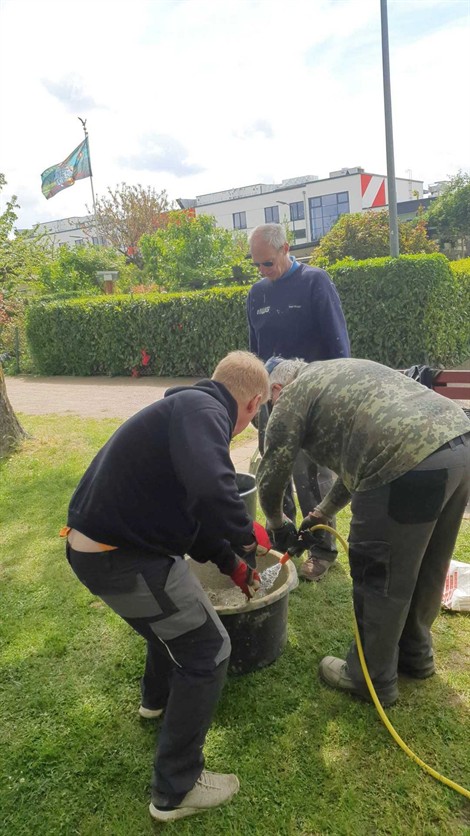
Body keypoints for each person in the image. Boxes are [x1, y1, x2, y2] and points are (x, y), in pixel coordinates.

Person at [62, 351, 270, 822]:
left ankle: (155, 702)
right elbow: (213, 488)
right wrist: (249, 535)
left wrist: (231, 564)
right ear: (253, 403)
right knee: (209, 650)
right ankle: (176, 789)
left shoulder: (184, 412)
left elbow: (191, 516)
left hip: (102, 551)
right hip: (120, 559)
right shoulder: (204, 409)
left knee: (175, 622)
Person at [257, 356, 470, 707]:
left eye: (269, 402)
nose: (271, 409)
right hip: (457, 443)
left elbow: (272, 471)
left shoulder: (291, 395)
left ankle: (370, 678)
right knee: (429, 564)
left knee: (378, 573)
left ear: (276, 388)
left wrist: (276, 522)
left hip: (405, 460)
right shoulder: (338, 372)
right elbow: (359, 461)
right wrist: (323, 512)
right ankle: (416, 655)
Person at [247, 222, 351, 582]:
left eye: (268, 263)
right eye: (256, 264)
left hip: (311, 398)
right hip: (270, 397)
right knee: (274, 468)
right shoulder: (257, 294)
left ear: (286, 249)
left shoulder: (315, 282)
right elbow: (255, 352)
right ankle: (283, 540)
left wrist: (336, 395)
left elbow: (338, 345)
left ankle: (322, 549)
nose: (263, 271)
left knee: (313, 476)